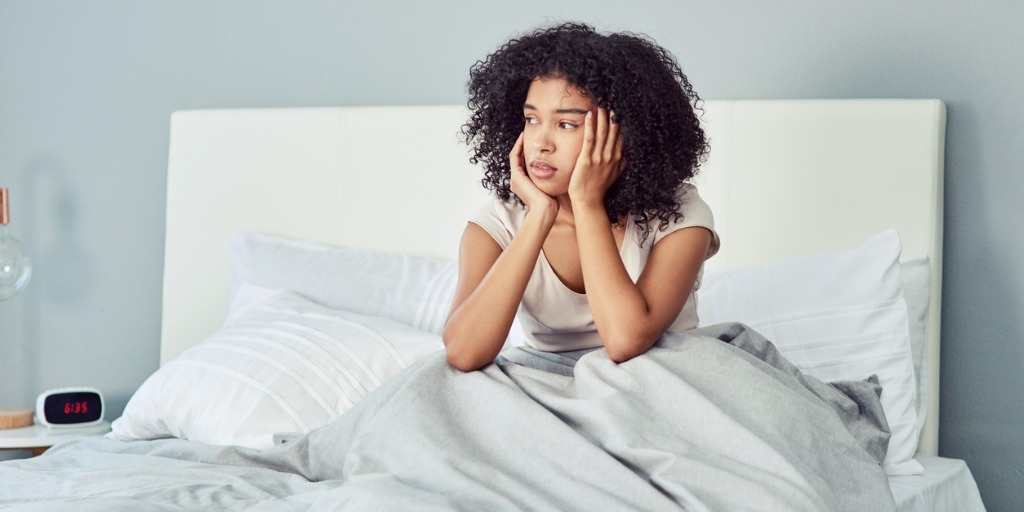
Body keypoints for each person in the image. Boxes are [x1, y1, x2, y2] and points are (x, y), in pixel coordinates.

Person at [443, 22, 720, 372]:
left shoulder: (679, 215)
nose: (541, 142)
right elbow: (463, 353)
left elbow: (625, 341)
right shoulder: (495, 226)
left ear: (624, 132)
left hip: (662, 375)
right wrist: (539, 216)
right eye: (531, 119)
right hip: (545, 383)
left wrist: (588, 204)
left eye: (566, 124)